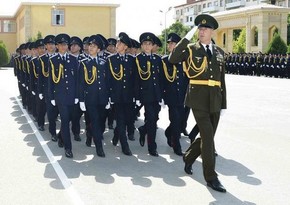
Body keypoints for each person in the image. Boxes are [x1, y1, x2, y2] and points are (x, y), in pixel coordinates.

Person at [169, 14, 227, 193]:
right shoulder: (190, 49)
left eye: (205, 29)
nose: (202, 31)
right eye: (199, 29)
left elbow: (222, 79)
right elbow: (173, 58)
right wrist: (187, 37)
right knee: (208, 137)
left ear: (211, 31)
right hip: (198, 98)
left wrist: (224, 103)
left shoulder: (219, 52)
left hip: (215, 98)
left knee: (206, 137)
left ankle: (188, 157)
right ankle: (211, 177)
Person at [78, 34, 110, 157]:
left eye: (94, 46)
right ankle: (99, 147)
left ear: (99, 49)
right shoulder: (84, 63)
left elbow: (107, 82)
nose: (91, 48)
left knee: (101, 122)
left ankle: (89, 134)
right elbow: (80, 83)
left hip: (102, 98)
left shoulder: (103, 62)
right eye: (90, 45)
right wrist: (81, 99)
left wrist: (108, 98)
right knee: (96, 121)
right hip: (90, 99)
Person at [48, 33, 79, 158]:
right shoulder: (53, 61)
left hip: (71, 96)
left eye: (65, 44)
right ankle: (68, 148)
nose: (63, 47)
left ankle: (61, 136)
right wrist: (51, 97)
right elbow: (50, 80)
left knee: (70, 119)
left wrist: (77, 96)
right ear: (57, 46)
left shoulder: (73, 59)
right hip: (60, 97)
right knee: (65, 121)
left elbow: (77, 79)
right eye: (61, 45)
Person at [107, 32, 136, 156]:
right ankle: (125, 146)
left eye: (120, 43)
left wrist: (136, 96)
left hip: (128, 96)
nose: (117, 45)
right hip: (117, 96)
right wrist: (109, 96)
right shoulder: (111, 59)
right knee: (120, 120)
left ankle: (116, 136)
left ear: (125, 47)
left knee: (125, 120)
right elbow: (107, 79)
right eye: (117, 42)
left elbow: (134, 79)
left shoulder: (131, 60)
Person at [135, 32, 163, 157]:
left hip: (156, 95)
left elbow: (161, 79)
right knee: (151, 120)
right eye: (145, 44)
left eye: (149, 44)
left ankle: (143, 129)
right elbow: (135, 80)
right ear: (142, 46)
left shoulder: (157, 59)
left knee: (154, 118)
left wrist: (162, 96)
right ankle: (152, 147)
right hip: (144, 95)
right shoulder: (138, 59)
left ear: (152, 46)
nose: (147, 46)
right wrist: (137, 97)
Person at [161, 32, 188, 156]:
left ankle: (168, 132)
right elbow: (161, 79)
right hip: (170, 95)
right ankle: (176, 146)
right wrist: (161, 96)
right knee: (175, 120)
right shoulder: (164, 60)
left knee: (180, 120)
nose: (171, 45)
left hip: (182, 95)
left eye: (174, 43)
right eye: (170, 43)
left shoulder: (184, 60)